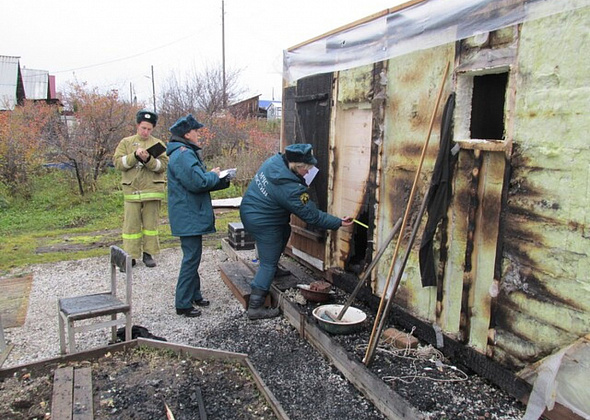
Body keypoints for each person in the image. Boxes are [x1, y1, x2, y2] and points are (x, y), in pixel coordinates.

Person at [240, 143, 353, 320]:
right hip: (262, 221)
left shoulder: (275, 162)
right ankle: (256, 306)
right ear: (297, 166)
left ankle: (272, 267)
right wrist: (338, 222)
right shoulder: (290, 189)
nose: (308, 173)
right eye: (306, 169)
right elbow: (312, 216)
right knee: (267, 264)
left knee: (284, 231)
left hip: (251, 210)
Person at [166, 114, 230, 317]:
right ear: (187, 133)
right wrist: (213, 174)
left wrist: (220, 179)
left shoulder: (184, 153)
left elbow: (197, 180)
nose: (199, 134)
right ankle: (183, 303)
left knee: (193, 256)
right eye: (196, 131)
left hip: (188, 214)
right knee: (191, 258)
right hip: (188, 215)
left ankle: (194, 294)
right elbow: (198, 183)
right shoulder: (183, 154)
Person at [113, 109, 168, 268]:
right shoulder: (126, 142)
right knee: (131, 227)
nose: (146, 132)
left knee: (151, 226)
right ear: (137, 125)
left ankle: (148, 254)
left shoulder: (158, 144)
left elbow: (162, 166)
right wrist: (134, 156)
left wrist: (148, 159)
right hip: (132, 191)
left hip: (152, 191)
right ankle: (131, 255)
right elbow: (118, 163)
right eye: (143, 128)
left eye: (149, 129)